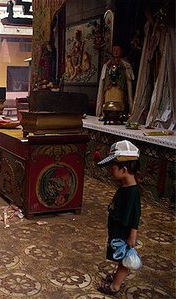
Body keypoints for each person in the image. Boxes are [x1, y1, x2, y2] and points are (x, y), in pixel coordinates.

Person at [97, 140, 141, 295]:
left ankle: (115, 286)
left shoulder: (132, 192)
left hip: (124, 232)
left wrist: (132, 235)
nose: (110, 171)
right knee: (119, 256)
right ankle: (116, 277)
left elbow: (135, 215)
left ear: (124, 169)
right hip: (117, 229)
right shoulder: (125, 187)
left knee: (124, 259)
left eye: (113, 168)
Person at [96, 45, 135, 118]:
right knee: (108, 104)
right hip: (109, 88)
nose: (116, 52)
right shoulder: (107, 64)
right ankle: (106, 115)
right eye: (114, 50)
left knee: (118, 104)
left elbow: (128, 77)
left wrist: (119, 83)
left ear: (121, 51)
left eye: (118, 50)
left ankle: (119, 115)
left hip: (119, 88)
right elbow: (104, 77)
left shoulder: (125, 65)